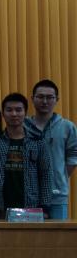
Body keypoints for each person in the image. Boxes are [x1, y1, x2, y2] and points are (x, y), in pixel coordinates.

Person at [0, 93, 53, 217]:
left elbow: (46, 174)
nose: (14, 114)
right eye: (9, 110)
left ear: (25, 113)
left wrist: (44, 207)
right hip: (1, 208)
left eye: (18, 110)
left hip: (32, 208)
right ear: (3, 114)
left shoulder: (38, 142)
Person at [24, 80, 77, 220]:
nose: (45, 101)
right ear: (32, 99)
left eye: (49, 97)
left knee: (58, 233)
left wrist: (58, 177)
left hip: (57, 196)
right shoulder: (23, 126)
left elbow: (73, 158)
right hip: (27, 195)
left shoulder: (67, 127)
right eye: (40, 97)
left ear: (57, 99)